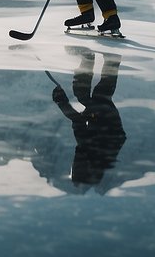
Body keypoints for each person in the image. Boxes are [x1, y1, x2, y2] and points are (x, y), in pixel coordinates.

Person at [51, 49, 126, 187]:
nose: (74, 164)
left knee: (96, 95)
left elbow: (78, 124)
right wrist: (61, 102)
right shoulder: (91, 155)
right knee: (95, 95)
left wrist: (62, 103)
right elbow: (78, 122)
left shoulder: (92, 158)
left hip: (105, 124)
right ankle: (98, 59)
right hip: (106, 124)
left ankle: (102, 60)